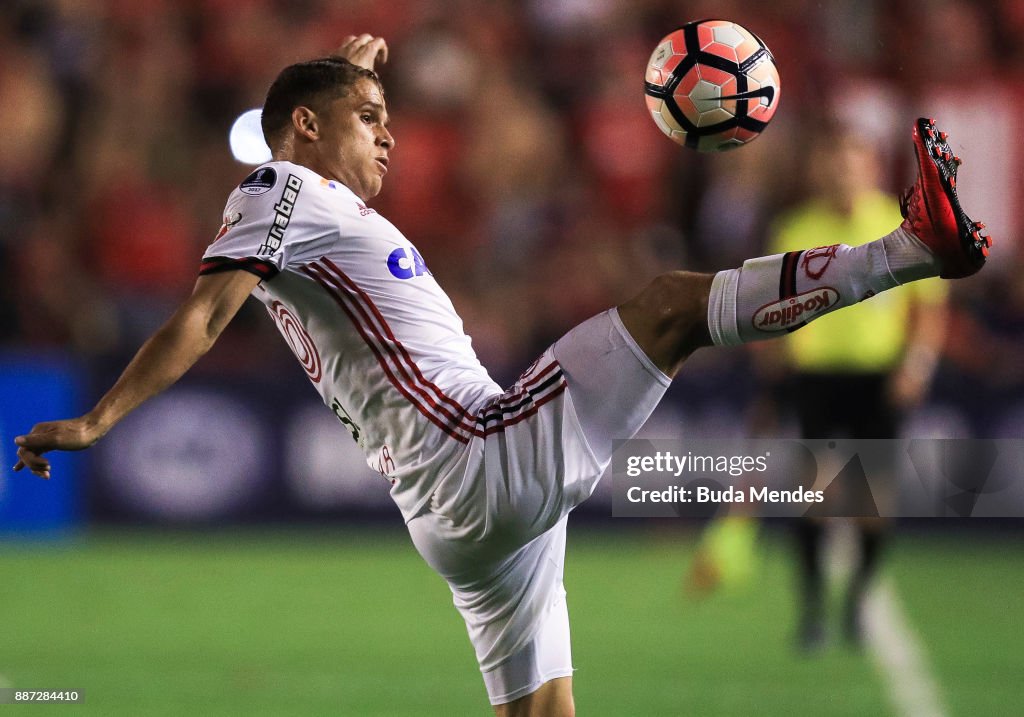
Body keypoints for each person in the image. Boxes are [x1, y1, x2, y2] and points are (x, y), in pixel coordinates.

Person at [13, 34, 991, 716]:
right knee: (666, 305)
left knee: (540, 711)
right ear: (306, 130)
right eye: (369, 119)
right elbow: (205, 310)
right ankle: (907, 250)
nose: (388, 134)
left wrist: (346, 80)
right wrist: (100, 422)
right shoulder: (282, 186)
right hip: (476, 452)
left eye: (388, 119)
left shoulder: (310, 198)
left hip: (454, 510)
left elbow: (303, 158)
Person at [762, 123, 948, 651]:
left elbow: (927, 308)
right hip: (816, 379)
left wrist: (916, 367)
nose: (842, 172)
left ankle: (858, 602)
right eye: (832, 162)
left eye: (851, 161)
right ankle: (813, 610)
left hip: (878, 381)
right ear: (818, 170)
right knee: (813, 499)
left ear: (870, 167)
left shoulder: (901, 227)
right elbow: (770, 308)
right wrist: (775, 371)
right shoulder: (794, 228)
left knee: (872, 505)